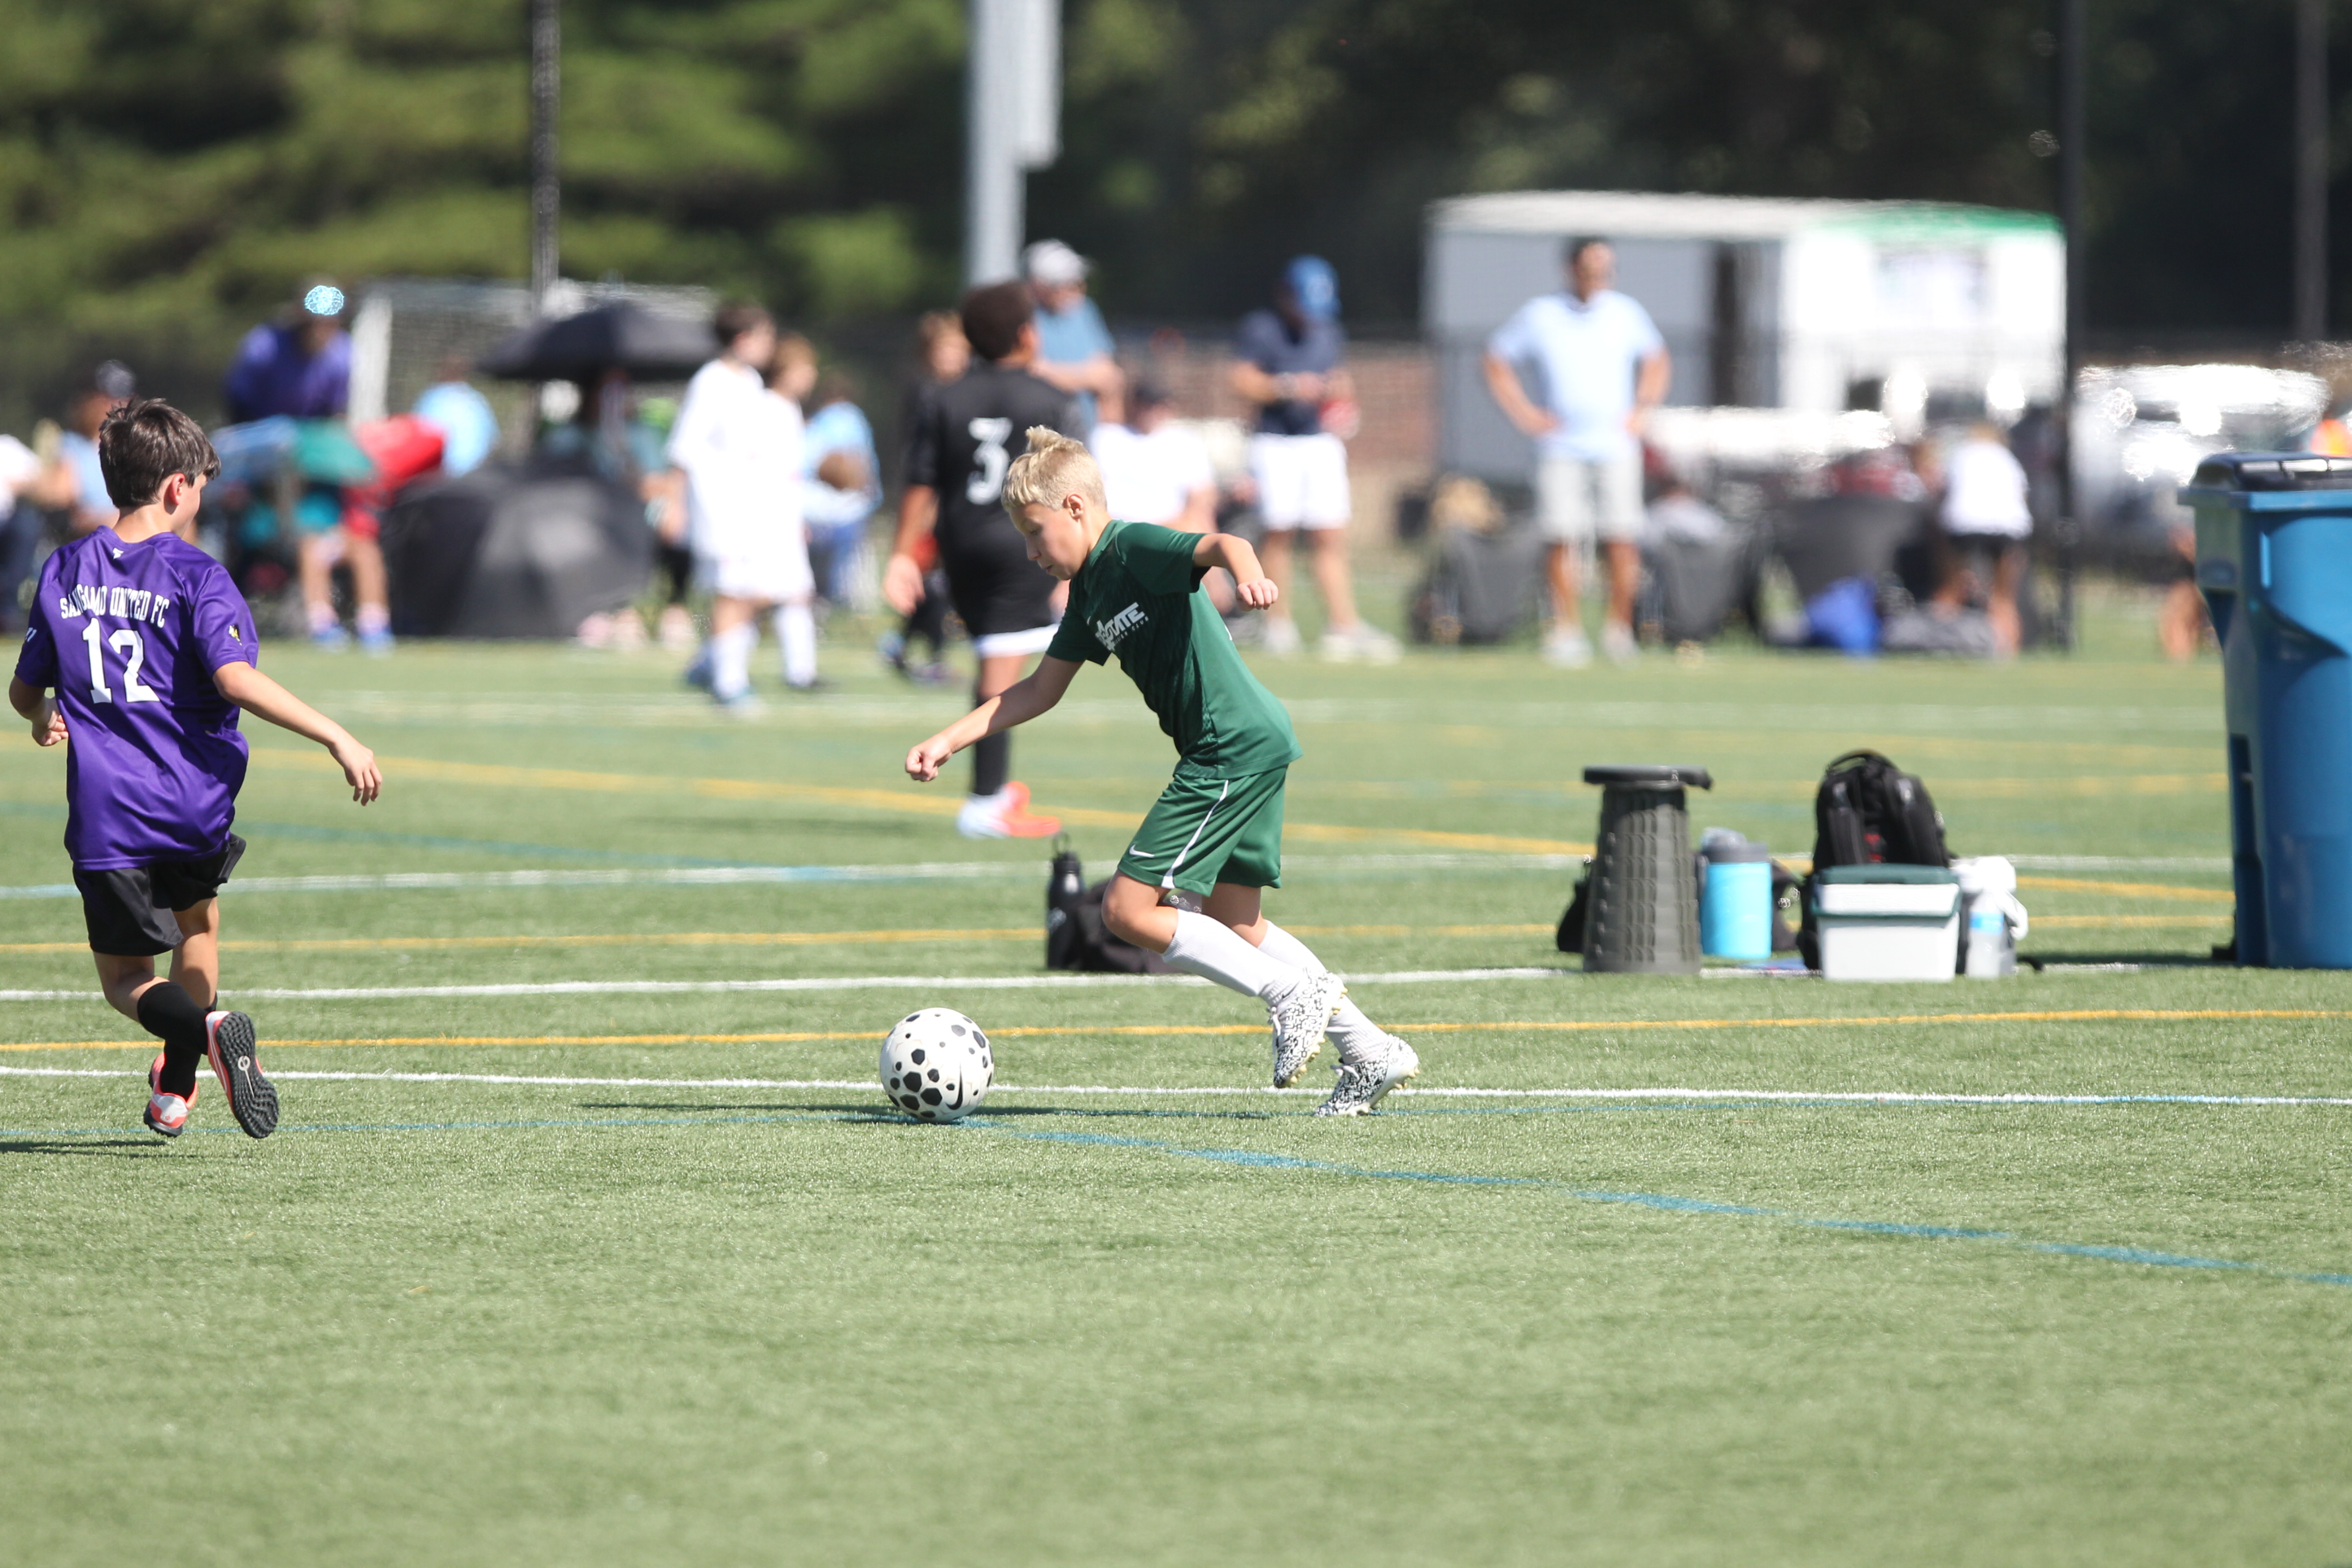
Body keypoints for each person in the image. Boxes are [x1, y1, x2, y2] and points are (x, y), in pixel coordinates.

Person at [902, 428, 1420, 1116]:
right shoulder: (1089, 592)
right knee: (1237, 919)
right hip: (1247, 742)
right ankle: (1371, 1050)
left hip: (1226, 747)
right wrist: (950, 738)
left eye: (1035, 533)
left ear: (1076, 508)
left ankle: (1290, 993)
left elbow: (1219, 543)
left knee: (1127, 909)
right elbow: (1040, 690)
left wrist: (1250, 573)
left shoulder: (1131, 548)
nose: (1031, 553)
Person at [7, 399, 382, 1141]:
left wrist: (42, 712)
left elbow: (23, 691)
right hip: (193, 801)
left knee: (126, 980)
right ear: (177, 488)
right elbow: (235, 678)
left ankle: (201, 1032)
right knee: (199, 927)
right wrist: (336, 734)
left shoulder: (64, 569)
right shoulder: (197, 573)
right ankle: (179, 1080)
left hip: (110, 813)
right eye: (203, 487)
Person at [886, 282, 1076, 839]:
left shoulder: (942, 397)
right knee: (1000, 672)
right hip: (1022, 543)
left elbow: (921, 483)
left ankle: (992, 790)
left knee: (999, 660)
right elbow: (1072, 483)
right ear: (1027, 335)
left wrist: (901, 554)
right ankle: (984, 801)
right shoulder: (1049, 397)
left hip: (962, 545)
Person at [1483, 237, 1672, 666]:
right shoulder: (1541, 314)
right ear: (1571, 269)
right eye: (1591, 270)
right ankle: (1564, 631)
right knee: (1560, 538)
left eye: (1606, 270)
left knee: (1621, 538)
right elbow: (1496, 359)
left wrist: (1643, 408)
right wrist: (1524, 413)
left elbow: (1657, 359)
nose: (1599, 278)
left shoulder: (1625, 313)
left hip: (1616, 446)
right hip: (1561, 446)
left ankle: (1619, 632)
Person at [1229, 256, 1398, 662]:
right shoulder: (1262, 328)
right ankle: (1277, 624)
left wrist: (1343, 402)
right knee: (1279, 532)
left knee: (1330, 534)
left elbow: (1339, 380)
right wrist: (1288, 387)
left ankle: (1342, 625)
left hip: (1319, 442)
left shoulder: (1328, 331)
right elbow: (1242, 381)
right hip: (1275, 441)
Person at [223, 280, 394, 654]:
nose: (323, 333)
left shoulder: (342, 353)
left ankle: (373, 626)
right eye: (316, 324)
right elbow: (239, 403)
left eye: (330, 324)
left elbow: (334, 412)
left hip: (313, 450)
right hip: (264, 447)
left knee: (362, 548)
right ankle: (321, 625)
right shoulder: (264, 346)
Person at [670, 303, 808, 709]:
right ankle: (728, 683)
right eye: (765, 336)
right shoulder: (711, 382)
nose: (770, 346)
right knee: (731, 591)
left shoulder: (751, 382)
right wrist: (675, 504)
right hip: (719, 508)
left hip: (750, 510)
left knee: (756, 590)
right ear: (743, 338)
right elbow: (684, 447)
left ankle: (710, 662)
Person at [879, 312, 968, 686]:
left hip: (958, 501)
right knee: (935, 581)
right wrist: (925, 506)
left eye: (958, 349)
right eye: (945, 349)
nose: (952, 357)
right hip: (933, 502)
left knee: (943, 581)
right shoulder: (926, 394)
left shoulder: (965, 391)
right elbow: (919, 460)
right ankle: (930, 655)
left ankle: (900, 644)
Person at [1932, 421, 2034, 656]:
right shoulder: (2008, 459)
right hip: (2008, 527)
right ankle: (2007, 650)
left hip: (1963, 524)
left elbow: (1943, 491)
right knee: (2004, 595)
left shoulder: (1959, 455)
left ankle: (1939, 642)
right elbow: (2022, 495)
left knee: (1951, 588)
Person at [801, 369, 882, 607]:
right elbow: (865, 461)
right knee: (844, 562)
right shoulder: (855, 419)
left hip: (818, 504)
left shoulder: (818, 421)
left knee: (817, 561)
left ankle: (821, 600)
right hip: (848, 504)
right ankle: (837, 602)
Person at [1024, 240, 1121, 432]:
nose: (1078, 290)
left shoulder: (1085, 311)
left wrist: (1057, 374)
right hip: (1044, 431)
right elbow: (1030, 371)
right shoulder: (1026, 316)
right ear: (1040, 286)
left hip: (1086, 430)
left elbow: (1108, 375)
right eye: (1068, 285)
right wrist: (1088, 377)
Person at [411, 356, 500, 477]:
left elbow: (418, 433)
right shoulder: (476, 399)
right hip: (472, 473)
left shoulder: (433, 397)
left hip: (439, 474)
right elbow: (492, 437)